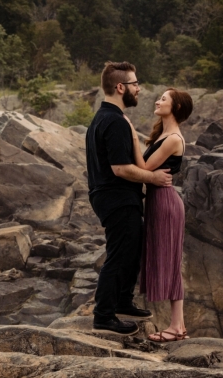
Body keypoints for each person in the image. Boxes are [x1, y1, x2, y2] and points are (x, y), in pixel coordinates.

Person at [86, 61, 173, 335]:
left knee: (131, 252)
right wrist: (154, 178)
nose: (139, 89)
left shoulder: (107, 118)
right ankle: (103, 315)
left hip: (115, 197)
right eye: (135, 84)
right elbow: (120, 168)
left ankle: (123, 301)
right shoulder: (113, 121)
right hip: (116, 198)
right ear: (120, 87)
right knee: (119, 254)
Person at [123, 88, 193, 342]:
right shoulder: (163, 134)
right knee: (170, 261)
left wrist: (131, 133)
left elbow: (143, 167)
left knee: (172, 262)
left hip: (165, 203)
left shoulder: (173, 138)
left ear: (175, 107)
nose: (157, 100)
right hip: (158, 202)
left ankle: (176, 327)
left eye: (164, 98)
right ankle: (179, 327)